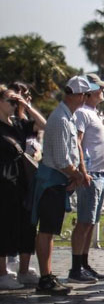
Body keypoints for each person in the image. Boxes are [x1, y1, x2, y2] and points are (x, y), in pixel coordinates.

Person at [32, 76, 91, 295]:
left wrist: (75, 175)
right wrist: (77, 176)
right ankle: (45, 278)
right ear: (77, 96)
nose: (85, 99)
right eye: (84, 95)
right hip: (52, 181)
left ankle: (47, 275)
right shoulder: (60, 119)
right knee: (46, 230)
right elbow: (60, 158)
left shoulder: (67, 117)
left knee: (50, 230)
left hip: (58, 181)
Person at [0, 85, 45, 289]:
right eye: (10, 100)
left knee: (27, 226)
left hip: (22, 183)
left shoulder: (18, 124)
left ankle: (24, 271)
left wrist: (25, 105)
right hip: (4, 184)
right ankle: (2, 273)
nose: (13, 104)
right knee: (5, 227)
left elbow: (43, 124)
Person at [68, 73, 104, 283]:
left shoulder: (96, 113)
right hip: (90, 173)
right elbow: (77, 142)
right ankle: (76, 268)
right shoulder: (83, 113)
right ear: (90, 90)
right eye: (100, 88)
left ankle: (84, 263)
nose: (103, 91)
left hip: (100, 173)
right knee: (84, 221)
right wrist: (82, 171)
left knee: (92, 222)